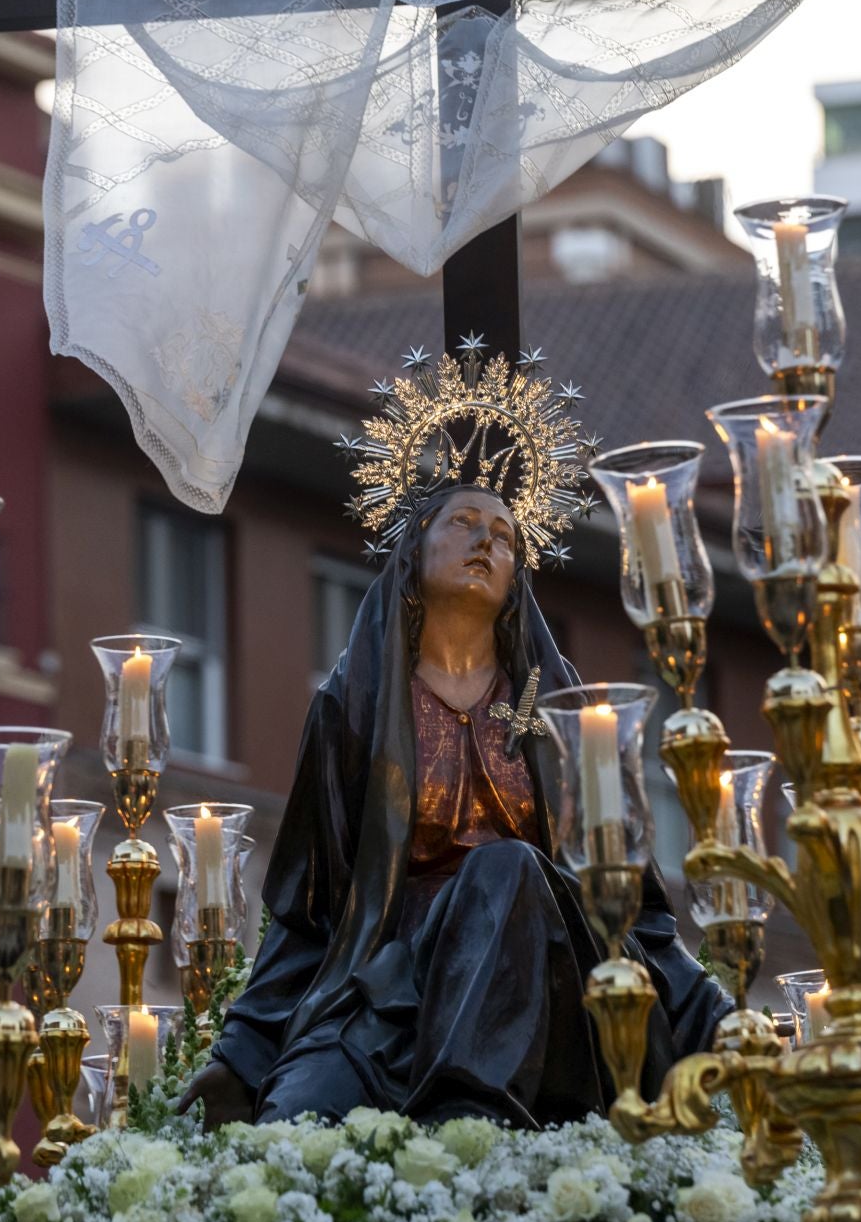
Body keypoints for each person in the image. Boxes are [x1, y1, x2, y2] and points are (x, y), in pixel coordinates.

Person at [177, 482, 730, 1129]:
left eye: (503, 537)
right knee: (293, 1121)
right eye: (464, 523)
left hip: (561, 990)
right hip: (394, 986)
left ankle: (466, 1116)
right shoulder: (352, 708)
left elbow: (630, 899)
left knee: (506, 867)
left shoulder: (563, 717)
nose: (485, 543)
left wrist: (717, 1016)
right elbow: (310, 911)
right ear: (414, 549)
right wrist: (242, 1054)